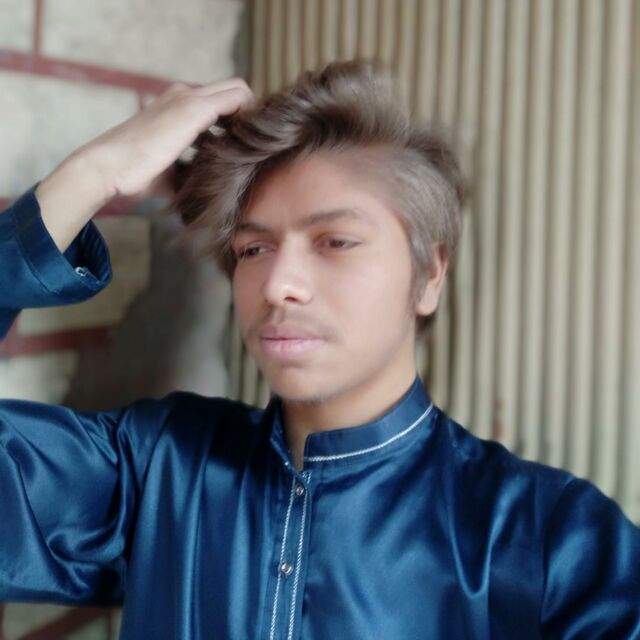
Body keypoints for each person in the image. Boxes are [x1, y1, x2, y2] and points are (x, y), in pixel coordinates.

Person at [0, 60, 639, 640]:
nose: (278, 284)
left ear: (430, 275)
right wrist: (95, 172)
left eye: (335, 241)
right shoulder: (158, 467)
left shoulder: (554, 541)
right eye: (254, 248)